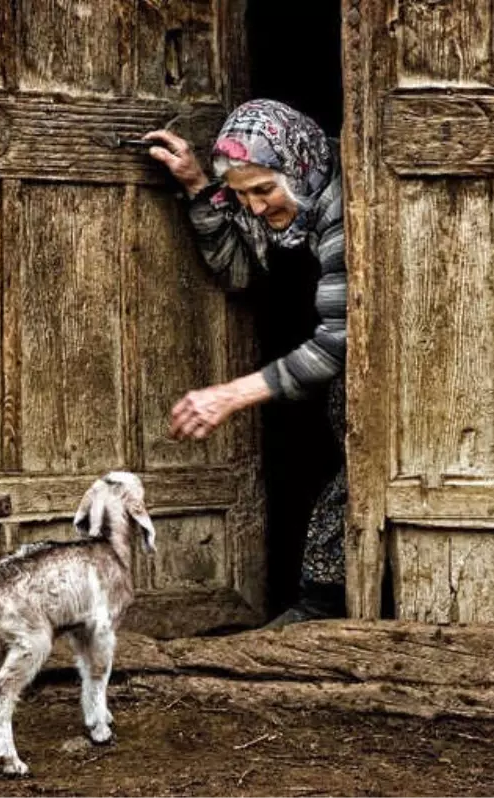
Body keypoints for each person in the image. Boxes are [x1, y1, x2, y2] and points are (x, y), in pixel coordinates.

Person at [145, 99, 347, 628]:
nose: (255, 208)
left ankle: (323, 608)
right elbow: (237, 271)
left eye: (264, 190)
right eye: (242, 194)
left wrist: (229, 395)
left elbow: (337, 344)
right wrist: (197, 186)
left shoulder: (345, 209)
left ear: (299, 168)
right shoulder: (286, 210)